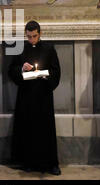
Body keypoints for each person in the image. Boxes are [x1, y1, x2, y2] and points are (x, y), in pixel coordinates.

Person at [8, 21, 61, 175]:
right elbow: (11, 70)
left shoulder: (49, 49)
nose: (32, 39)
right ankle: (28, 162)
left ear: (40, 34)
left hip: (43, 95)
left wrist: (43, 74)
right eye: (29, 36)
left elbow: (56, 71)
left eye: (34, 36)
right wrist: (21, 69)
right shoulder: (20, 49)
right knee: (27, 129)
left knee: (46, 130)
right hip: (26, 95)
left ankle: (51, 164)